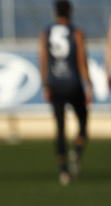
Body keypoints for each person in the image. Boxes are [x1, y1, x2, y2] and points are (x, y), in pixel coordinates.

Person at [39, 0, 92, 185]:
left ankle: (63, 171)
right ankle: (76, 151)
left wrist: (45, 85)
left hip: (55, 85)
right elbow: (81, 59)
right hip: (73, 84)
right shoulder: (76, 33)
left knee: (60, 128)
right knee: (83, 122)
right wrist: (88, 85)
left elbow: (43, 59)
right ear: (70, 12)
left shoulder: (46, 33)